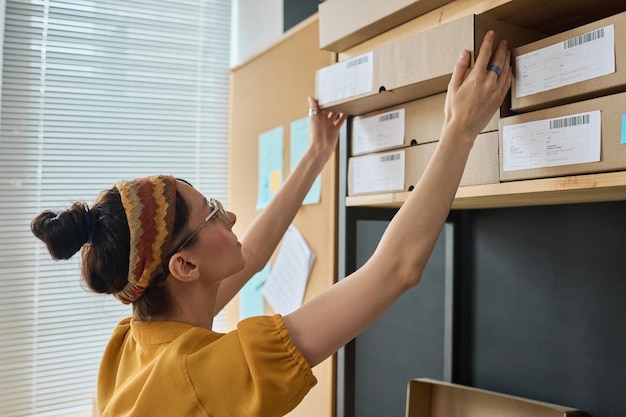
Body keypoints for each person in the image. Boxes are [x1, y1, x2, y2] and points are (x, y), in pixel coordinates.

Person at [31, 30, 511, 417]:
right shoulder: (201, 378)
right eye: (213, 214)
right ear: (184, 266)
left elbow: (252, 253)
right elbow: (397, 269)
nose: (232, 216)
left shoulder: (135, 343)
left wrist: (318, 154)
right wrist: (460, 129)